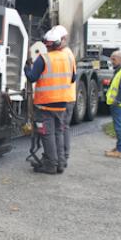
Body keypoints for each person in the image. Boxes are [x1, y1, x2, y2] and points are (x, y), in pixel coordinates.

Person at [25, 29, 76, 174]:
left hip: (45, 104)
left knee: (47, 134)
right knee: (58, 132)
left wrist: (27, 68)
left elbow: (32, 77)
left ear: (46, 44)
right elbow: (73, 78)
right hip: (62, 103)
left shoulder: (44, 58)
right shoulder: (68, 57)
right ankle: (60, 163)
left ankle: (50, 165)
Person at [50, 25, 76, 168]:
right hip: (65, 96)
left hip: (65, 97)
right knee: (62, 128)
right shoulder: (66, 53)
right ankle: (61, 157)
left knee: (61, 128)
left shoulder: (65, 54)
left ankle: (63, 157)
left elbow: (70, 77)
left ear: (63, 39)